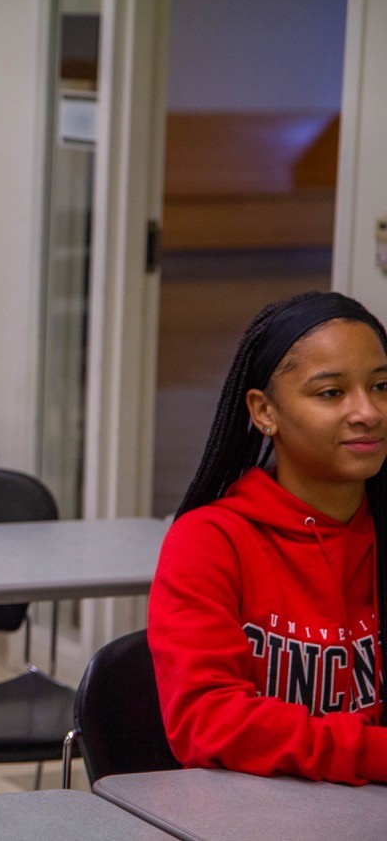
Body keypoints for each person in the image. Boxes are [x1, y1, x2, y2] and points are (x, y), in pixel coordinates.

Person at [149, 290, 387, 785]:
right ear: (264, 412)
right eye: (331, 393)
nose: (369, 411)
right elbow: (206, 720)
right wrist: (369, 753)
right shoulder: (210, 541)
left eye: (382, 386)